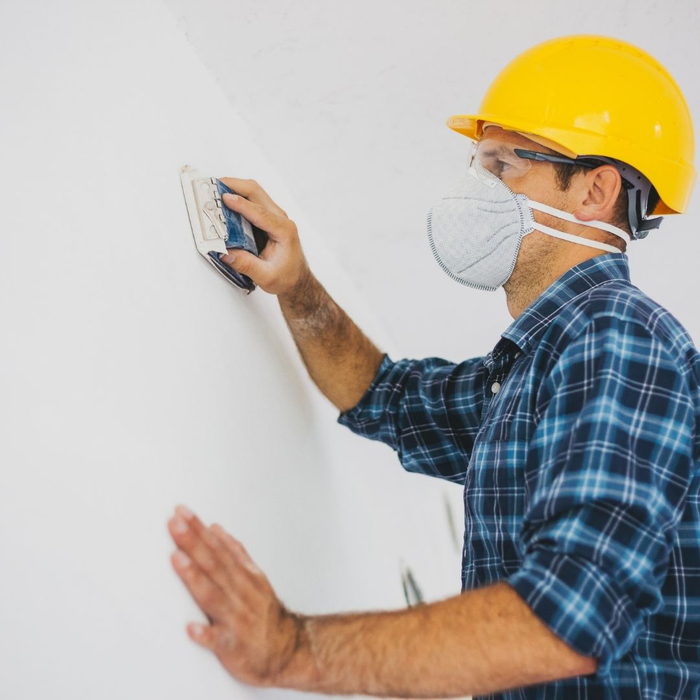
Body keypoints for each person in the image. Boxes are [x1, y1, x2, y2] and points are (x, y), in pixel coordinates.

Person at [166, 35, 700, 698]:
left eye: (506, 165)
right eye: (480, 163)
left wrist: (290, 648)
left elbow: (570, 616)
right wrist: (297, 285)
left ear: (595, 190)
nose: (481, 189)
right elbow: (382, 397)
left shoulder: (618, 338)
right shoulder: (534, 370)